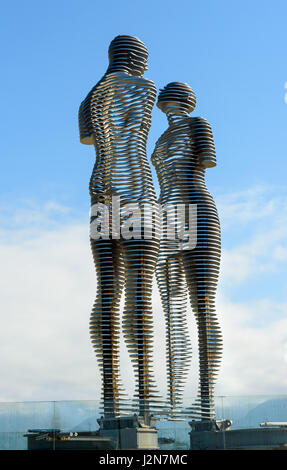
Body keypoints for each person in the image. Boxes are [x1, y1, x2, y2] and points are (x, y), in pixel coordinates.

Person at [78, 36, 160, 420]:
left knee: (107, 289)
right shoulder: (143, 87)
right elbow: (135, 140)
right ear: (137, 57)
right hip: (137, 188)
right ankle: (145, 400)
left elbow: (90, 140)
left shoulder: (88, 98)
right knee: (141, 288)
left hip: (99, 189)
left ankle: (111, 402)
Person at [151, 82, 222, 421]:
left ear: (183, 101)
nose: (162, 100)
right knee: (170, 307)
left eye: (169, 95)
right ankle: (175, 398)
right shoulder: (160, 138)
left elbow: (207, 161)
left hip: (196, 207)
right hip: (167, 217)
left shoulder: (198, 125)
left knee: (202, 304)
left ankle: (205, 397)